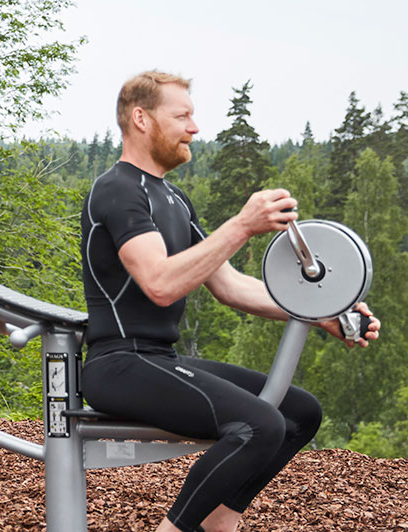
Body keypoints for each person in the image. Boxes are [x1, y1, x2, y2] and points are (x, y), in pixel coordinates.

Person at [80, 71, 382, 532]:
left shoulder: (174, 200)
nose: (194, 128)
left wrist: (322, 312)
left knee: (299, 413)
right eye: (182, 116)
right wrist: (241, 226)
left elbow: (230, 286)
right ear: (141, 118)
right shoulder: (119, 190)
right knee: (260, 424)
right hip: (118, 365)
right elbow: (159, 283)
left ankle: (218, 523)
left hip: (157, 358)